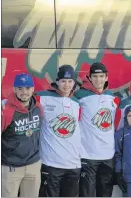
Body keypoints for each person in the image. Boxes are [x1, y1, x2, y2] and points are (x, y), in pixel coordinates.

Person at [74, 62, 120, 197]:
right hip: (87, 156)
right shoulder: (79, 97)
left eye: (101, 76)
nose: (98, 79)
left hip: (108, 156)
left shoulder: (113, 98)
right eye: (95, 76)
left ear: (106, 77)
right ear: (89, 77)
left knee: (105, 194)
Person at [36, 65, 82, 197]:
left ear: (74, 83)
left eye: (70, 81)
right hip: (51, 164)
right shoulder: (42, 97)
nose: (66, 85)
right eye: (63, 81)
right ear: (57, 81)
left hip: (73, 165)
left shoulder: (77, 103)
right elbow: (22, 101)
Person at [1, 73, 43, 197]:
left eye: (27, 88)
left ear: (33, 89)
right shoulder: (6, 110)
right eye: (20, 88)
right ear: (14, 89)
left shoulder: (38, 107)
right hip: (11, 168)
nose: (24, 92)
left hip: (33, 165)